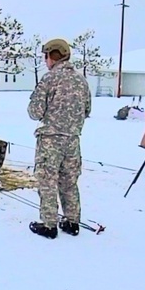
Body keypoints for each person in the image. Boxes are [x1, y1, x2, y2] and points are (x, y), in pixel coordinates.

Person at [27, 38, 91, 238]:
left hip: (50, 140)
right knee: (69, 181)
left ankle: (49, 224)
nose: (45, 60)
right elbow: (87, 110)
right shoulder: (81, 80)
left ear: (53, 55)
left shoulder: (49, 79)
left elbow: (35, 112)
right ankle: (72, 222)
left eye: (46, 56)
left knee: (47, 181)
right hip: (73, 140)